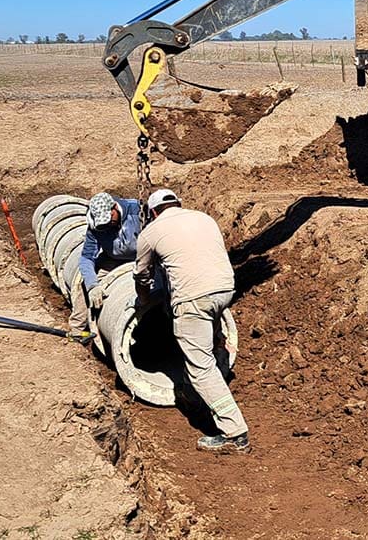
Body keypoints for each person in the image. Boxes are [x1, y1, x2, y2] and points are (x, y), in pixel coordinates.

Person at [135, 188, 249, 454]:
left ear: (152, 212)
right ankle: (192, 394)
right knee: (204, 347)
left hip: (193, 300)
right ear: (179, 204)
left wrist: (143, 300)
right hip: (223, 290)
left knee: (201, 367)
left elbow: (142, 275)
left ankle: (235, 433)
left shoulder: (151, 232)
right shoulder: (203, 218)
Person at [69, 191, 142, 334]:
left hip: (144, 257)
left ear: (114, 207)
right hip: (112, 260)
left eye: (110, 219)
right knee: (86, 284)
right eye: (104, 223)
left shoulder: (137, 211)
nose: (109, 224)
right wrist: (92, 286)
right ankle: (76, 329)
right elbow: (86, 258)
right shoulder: (96, 225)